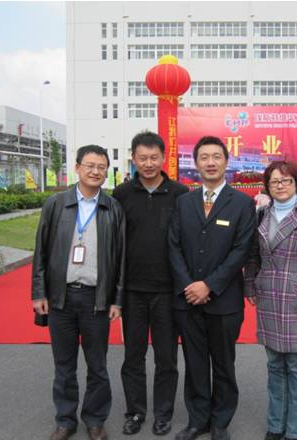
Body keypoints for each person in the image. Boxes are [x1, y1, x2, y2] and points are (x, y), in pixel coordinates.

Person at [32, 144, 126, 441]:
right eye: (90, 165)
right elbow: (41, 251)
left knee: (98, 365)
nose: (95, 171)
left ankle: (95, 419)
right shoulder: (56, 204)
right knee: (64, 365)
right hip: (60, 297)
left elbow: (121, 258)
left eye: (101, 167)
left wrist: (117, 300)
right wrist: (39, 293)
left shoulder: (113, 208)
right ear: (77, 168)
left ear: (106, 172)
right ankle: (65, 420)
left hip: (96, 298)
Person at [168, 136, 256, 440]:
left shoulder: (243, 203)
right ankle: (198, 420)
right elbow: (173, 246)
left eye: (216, 157)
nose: (210, 162)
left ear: (226, 162)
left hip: (224, 301)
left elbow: (241, 250)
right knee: (194, 364)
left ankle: (220, 421)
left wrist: (209, 285)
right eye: (204, 157)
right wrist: (188, 285)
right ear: (196, 163)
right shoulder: (184, 202)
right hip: (187, 299)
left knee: (223, 364)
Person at [244, 161, 297, 440]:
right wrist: (250, 285)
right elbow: (253, 256)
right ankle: (275, 424)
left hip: (296, 299)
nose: (280, 186)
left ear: (296, 184)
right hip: (268, 297)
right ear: (267, 186)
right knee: (274, 365)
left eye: (286, 180)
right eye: (274, 181)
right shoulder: (261, 214)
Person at [112, 131, 189, 437]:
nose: (148, 163)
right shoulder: (121, 194)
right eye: (142, 158)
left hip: (168, 290)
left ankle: (163, 414)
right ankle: (135, 411)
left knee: (166, 357)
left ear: (163, 158)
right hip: (132, 291)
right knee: (133, 355)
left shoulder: (180, 194)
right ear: (133, 158)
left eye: (153, 157)